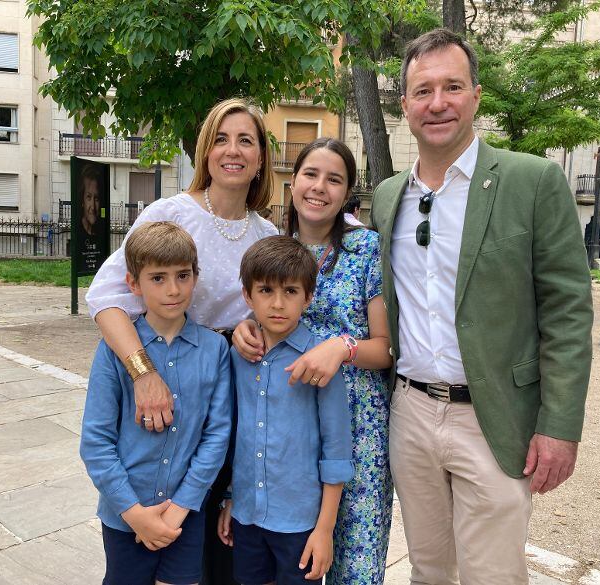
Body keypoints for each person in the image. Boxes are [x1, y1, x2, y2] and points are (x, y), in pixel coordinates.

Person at [369, 29, 594, 584]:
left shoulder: (532, 181)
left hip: (493, 418)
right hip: (411, 413)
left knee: (493, 575)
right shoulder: (388, 195)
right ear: (405, 105)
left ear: (476, 95)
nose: (437, 103)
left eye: (452, 87)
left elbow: (567, 313)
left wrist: (559, 426)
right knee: (428, 571)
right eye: (423, 91)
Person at [85, 97, 277, 585]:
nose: (232, 151)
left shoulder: (267, 233)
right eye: (221, 139)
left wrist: (254, 330)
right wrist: (142, 372)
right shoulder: (170, 214)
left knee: (217, 546)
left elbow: (272, 312)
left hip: (232, 394)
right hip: (167, 378)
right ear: (205, 150)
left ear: (260, 157)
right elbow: (106, 296)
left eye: (246, 141)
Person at [233, 138, 394, 584]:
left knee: (354, 563)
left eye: (334, 179)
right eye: (310, 174)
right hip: (290, 427)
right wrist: (243, 328)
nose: (320, 187)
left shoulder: (367, 250)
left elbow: (386, 348)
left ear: (347, 193)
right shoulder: (273, 245)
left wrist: (342, 348)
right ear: (293, 183)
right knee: (293, 561)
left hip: (357, 427)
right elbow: (261, 310)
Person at [80, 221, 232, 585]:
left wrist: (181, 507)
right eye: (158, 278)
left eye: (183, 276)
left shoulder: (215, 350)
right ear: (134, 284)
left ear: (196, 277)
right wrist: (134, 513)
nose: (173, 289)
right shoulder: (114, 351)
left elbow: (217, 436)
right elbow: (96, 442)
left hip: (186, 514)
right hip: (125, 516)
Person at [219, 236, 354, 585]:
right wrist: (232, 497)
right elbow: (236, 435)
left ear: (307, 297)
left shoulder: (320, 361)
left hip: (299, 522)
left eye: (291, 291)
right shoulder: (238, 356)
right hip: (247, 516)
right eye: (266, 290)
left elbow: (337, 450)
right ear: (247, 295)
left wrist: (324, 530)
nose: (278, 303)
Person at [80, 163, 102, 236]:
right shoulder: (78, 232)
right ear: (82, 201)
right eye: (88, 197)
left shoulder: (100, 232)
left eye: (96, 199)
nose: (93, 207)